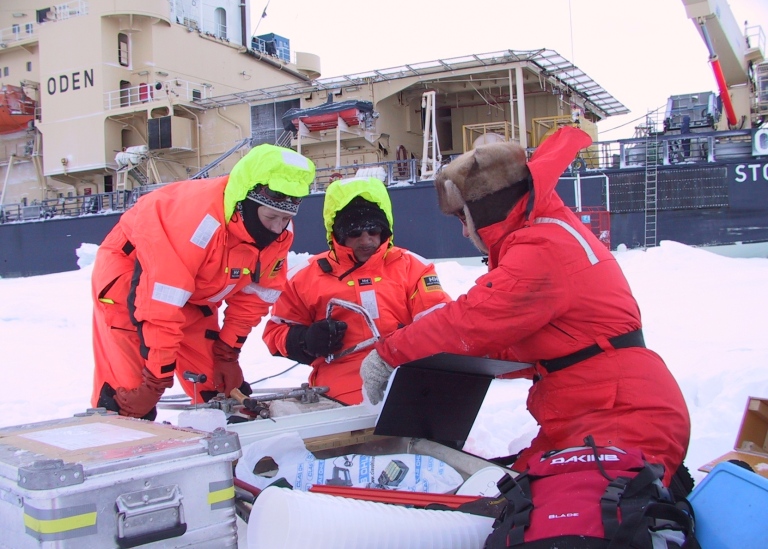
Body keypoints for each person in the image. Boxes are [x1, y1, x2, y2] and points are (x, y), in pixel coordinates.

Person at [360, 127, 691, 486]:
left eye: (463, 218)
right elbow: (512, 342)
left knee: (550, 520)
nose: (462, 232)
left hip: (621, 418)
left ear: (486, 209)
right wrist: (434, 353)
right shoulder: (543, 233)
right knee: (504, 496)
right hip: (592, 412)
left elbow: (472, 322)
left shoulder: (541, 247)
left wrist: (390, 353)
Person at [91, 144, 316, 420]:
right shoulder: (193, 221)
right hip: (132, 278)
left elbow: (256, 295)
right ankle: (116, 438)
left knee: (219, 388)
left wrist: (227, 352)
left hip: (195, 293)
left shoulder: (279, 231)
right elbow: (160, 304)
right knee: (129, 395)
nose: (277, 228)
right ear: (245, 204)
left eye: (286, 218)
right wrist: (155, 381)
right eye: (271, 217)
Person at [262, 176, 451, 404]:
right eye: (355, 233)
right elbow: (275, 334)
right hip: (335, 398)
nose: (366, 240)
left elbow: (440, 323)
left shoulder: (414, 268)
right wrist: (306, 340)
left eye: (373, 230)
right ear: (338, 233)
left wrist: (404, 342)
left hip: (406, 386)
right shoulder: (304, 277)